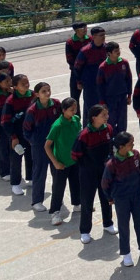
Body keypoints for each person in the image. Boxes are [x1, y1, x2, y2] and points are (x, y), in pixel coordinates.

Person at [101, 131, 140, 267]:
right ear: (121, 147)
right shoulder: (111, 164)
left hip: (137, 196)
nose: (133, 145)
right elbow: (105, 184)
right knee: (124, 225)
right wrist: (110, 198)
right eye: (130, 143)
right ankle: (126, 253)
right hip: (122, 199)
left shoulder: (135, 154)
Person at [73, 104, 116, 244]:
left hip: (104, 172)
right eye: (103, 115)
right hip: (88, 174)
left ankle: (108, 223)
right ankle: (85, 231)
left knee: (106, 198)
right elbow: (75, 155)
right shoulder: (84, 135)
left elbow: (111, 148)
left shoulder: (108, 129)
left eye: (107, 114)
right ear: (94, 118)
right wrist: (87, 166)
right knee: (87, 201)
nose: (107, 117)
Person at [23, 81, 62, 213]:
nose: (47, 93)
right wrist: (34, 141)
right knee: (39, 172)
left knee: (57, 171)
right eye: (44, 91)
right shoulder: (32, 110)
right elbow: (27, 130)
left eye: (48, 90)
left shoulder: (56, 104)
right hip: (39, 146)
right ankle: (37, 201)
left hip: (55, 143)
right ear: (37, 94)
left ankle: (57, 196)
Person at [45, 97, 81, 225]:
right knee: (58, 188)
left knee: (76, 183)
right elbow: (47, 146)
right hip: (61, 163)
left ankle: (77, 204)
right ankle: (55, 212)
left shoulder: (76, 120)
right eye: (71, 109)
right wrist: (55, 163)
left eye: (75, 109)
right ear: (64, 110)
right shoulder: (57, 125)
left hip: (74, 161)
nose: (74, 112)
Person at [1, 73, 34, 196]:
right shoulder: (10, 101)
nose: (26, 85)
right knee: (16, 159)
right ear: (15, 87)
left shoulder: (33, 95)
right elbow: (5, 122)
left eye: (27, 82)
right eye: (23, 84)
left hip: (30, 133)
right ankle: (15, 183)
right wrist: (13, 137)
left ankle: (31, 178)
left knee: (31, 156)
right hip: (17, 134)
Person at [97, 41, 132, 135]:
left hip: (122, 97)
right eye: (115, 51)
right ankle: (112, 141)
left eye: (118, 50)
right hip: (110, 99)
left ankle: (122, 140)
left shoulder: (124, 63)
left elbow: (129, 79)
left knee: (122, 121)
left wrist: (129, 95)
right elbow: (100, 86)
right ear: (109, 53)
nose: (118, 52)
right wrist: (102, 102)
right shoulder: (103, 67)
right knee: (111, 121)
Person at [74, 27, 109, 116]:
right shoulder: (85, 51)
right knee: (91, 109)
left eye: (104, 35)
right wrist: (79, 81)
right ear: (93, 37)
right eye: (101, 35)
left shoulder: (107, 48)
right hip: (90, 85)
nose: (103, 37)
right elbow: (77, 67)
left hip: (105, 83)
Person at [65, 21, 89, 112]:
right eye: (82, 28)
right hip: (76, 73)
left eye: (86, 27)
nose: (85, 30)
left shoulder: (90, 39)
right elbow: (70, 60)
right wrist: (78, 70)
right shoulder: (70, 43)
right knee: (74, 98)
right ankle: (76, 117)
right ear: (76, 30)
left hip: (88, 72)